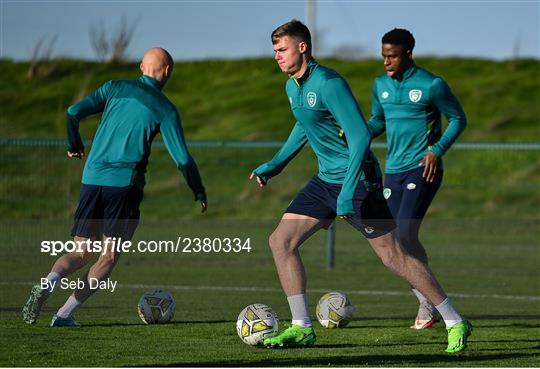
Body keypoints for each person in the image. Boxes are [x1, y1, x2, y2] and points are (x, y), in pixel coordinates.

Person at [250, 20, 472, 353]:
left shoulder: (328, 83)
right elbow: (304, 126)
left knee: (393, 256)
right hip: (326, 179)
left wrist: (346, 192)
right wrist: (275, 165)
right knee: (281, 241)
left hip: (358, 182)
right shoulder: (292, 87)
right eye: (274, 51)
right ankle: (301, 327)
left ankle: (455, 320)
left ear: (302, 47)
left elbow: (359, 138)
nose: (277, 57)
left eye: (281, 50)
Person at [22, 47, 207, 327]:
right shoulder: (165, 108)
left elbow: (73, 112)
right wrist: (198, 190)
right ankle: (63, 315)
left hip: (92, 178)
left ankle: (48, 283)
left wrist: (74, 144)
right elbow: (182, 159)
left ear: (142, 67)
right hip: (124, 186)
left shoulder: (114, 87)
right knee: (107, 256)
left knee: (81, 251)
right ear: (167, 71)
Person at [367, 28, 467, 330]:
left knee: (404, 235)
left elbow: (459, 119)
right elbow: (377, 121)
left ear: (409, 53)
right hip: (393, 172)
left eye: (393, 56)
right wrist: (352, 132)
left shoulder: (432, 84)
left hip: (422, 170)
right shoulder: (380, 85)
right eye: (383, 55)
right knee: (391, 242)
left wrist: (436, 150)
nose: (387, 62)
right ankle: (427, 301)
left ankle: (430, 305)